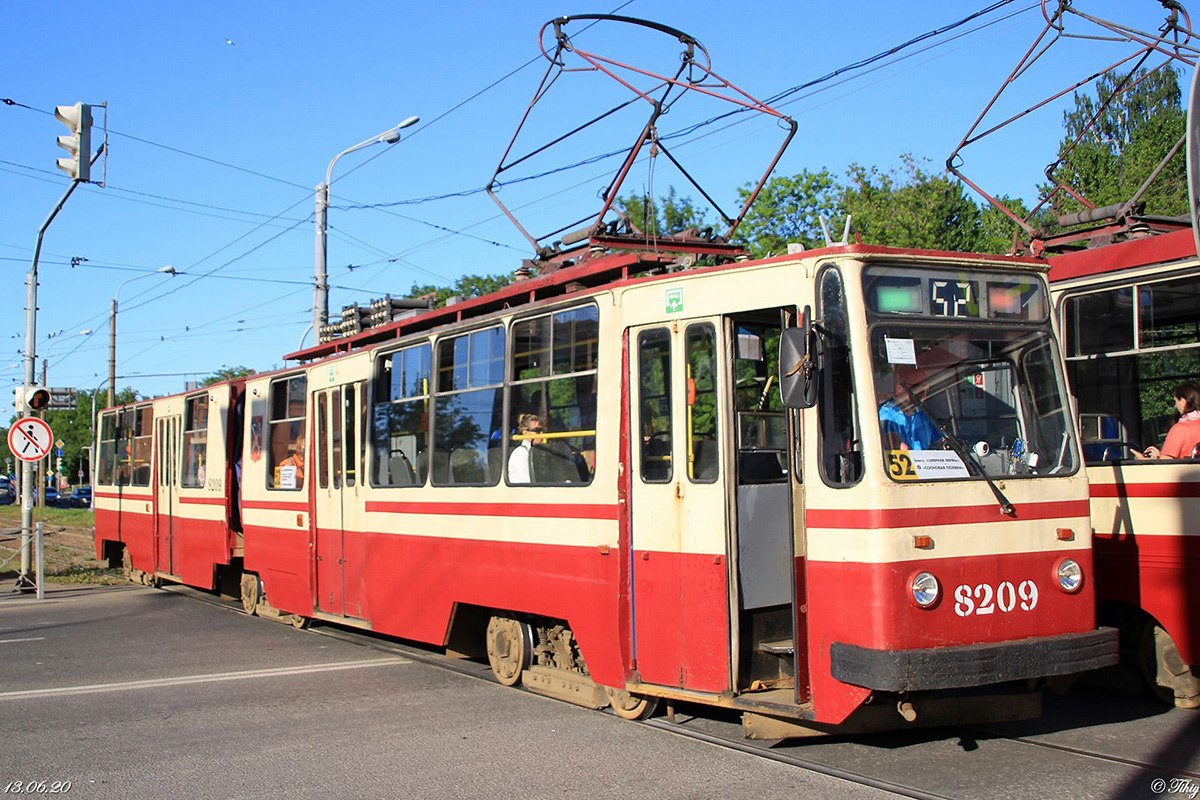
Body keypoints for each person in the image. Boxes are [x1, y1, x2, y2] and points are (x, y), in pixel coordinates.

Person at [1136, 383, 1200, 460]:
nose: (1175, 406)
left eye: (1176, 401)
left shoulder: (1180, 429)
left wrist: (1147, 459)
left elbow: (1167, 461)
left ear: (1183, 401)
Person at [508, 413, 544, 484]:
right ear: (525, 432)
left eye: (543, 430)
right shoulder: (520, 453)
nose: (542, 434)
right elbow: (528, 483)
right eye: (537, 430)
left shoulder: (540, 452)